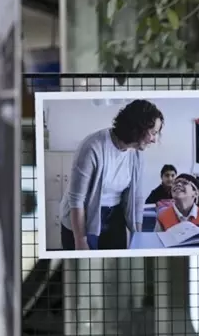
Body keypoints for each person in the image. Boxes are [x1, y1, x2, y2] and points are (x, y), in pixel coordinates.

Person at [60, 99, 162, 251]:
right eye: (153, 133)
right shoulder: (93, 147)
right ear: (138, 128)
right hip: (83, 217)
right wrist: (80, 241)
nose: (155, 139)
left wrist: (138, 234)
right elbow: (77, 200)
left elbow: (137, 197)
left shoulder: (137, 154)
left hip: (115, 215)